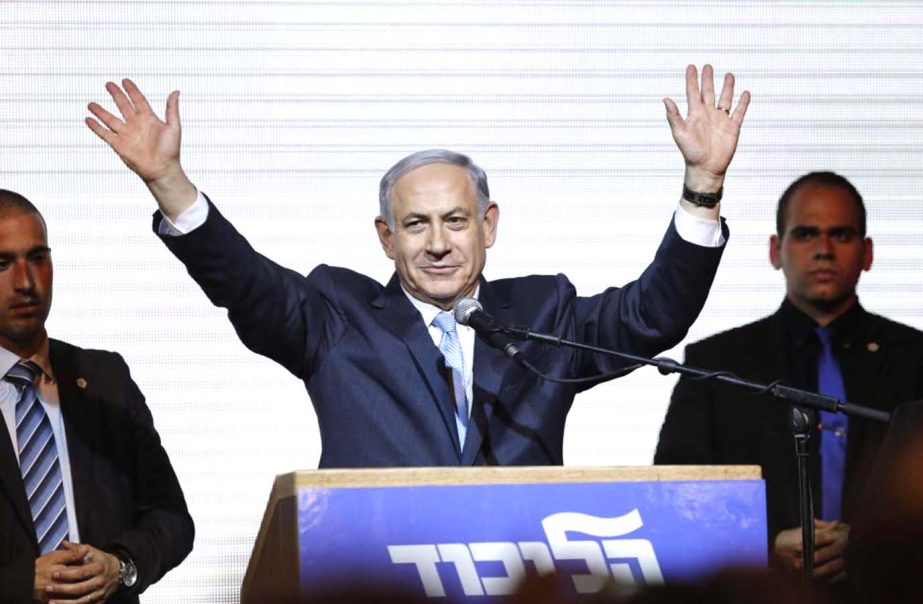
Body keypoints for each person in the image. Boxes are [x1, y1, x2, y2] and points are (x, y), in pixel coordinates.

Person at [84, 65, 749, 468]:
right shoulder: (335, 317)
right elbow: (246, 285)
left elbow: (650, 316)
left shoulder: (543, 314)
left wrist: (701, 184)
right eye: (415, 224)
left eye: (455, 221)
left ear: (487, 226)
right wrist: (170, 183)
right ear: (386, 237)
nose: (437, 243)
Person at [654, 172, 923, 590]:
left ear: (868, 253)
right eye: (805, 234)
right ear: (775, 251)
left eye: (842, 235)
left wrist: (868, 544)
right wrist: (762, 544)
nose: (823, 250)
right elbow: (675, 493)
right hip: (760, 592)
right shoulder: (716, 364)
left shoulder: (916, 359)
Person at [0, 190, 194, 603]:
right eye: (2, 264)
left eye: (38, 258)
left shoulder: (104, 379)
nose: (26, 283)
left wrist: (120, 566)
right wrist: (18, 585)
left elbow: (172, 519)